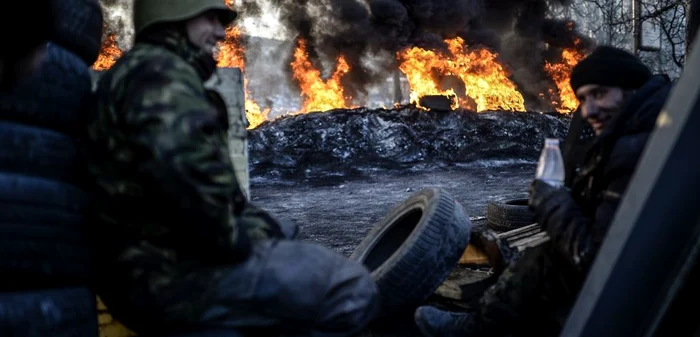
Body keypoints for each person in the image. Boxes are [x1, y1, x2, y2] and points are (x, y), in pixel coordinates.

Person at [83, 0, 378, 336]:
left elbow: (211, 195)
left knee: (285, 232)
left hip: (149, 265)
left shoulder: (147, 72)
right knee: (349, 287)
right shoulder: (160, 76)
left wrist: (262, 231)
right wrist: (247, 241)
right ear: (173, 17)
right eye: (210, 19)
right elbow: (194, 196)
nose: (221, 32)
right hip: (165, 276)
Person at [413, 46, 674, 337]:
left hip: (639, 284)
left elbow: (597, 256)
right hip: (650, 266)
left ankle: (478, 330)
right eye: (583, 99)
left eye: (599, 94)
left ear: (631, 90)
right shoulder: (645, 129)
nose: (588, 110)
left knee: (544, 261)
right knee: (539, 258)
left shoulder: (634, 147)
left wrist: (551, 200)